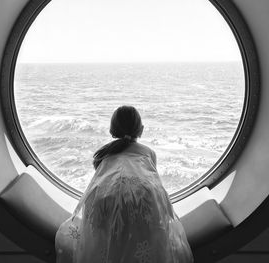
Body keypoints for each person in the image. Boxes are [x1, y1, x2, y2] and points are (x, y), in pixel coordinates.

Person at [55, 105, 193, 263]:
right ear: (141, 130)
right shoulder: (149, 153)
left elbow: (102, 178)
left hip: (103, 198)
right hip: (143, 198)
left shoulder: (102, 154)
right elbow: (153, 179)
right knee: (145, 242)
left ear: (112, 130)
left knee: (104, 244)